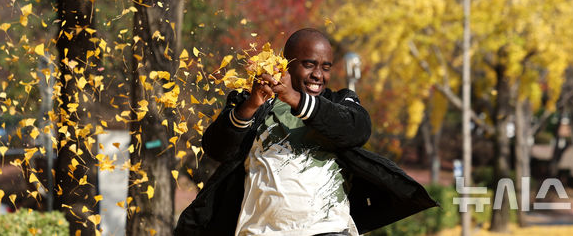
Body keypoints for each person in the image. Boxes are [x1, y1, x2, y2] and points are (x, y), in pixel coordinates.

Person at [175, 28, 436, 236]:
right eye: (309, 64)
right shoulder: (252, 104)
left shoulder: (339, 102)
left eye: (326, 67)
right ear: (286, 65)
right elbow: (217, 148)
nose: (318, 75)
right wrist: (251, 105)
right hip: (259, 231)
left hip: (328, 229)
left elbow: (356, 128)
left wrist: (294, 99)